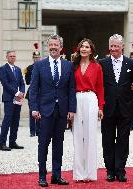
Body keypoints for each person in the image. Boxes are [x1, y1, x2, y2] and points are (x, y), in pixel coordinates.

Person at [30, 34, 76, 187]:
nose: (53, 47)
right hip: (44, 112)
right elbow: (34, 89)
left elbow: (71, 89)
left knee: (59, 145)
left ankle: (57, 175)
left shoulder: (68, 65)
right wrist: (34, 108)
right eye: (51, 45)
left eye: (56, 45)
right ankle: (42, 176)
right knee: (43, 144)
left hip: (62, 112)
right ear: (48, 46)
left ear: (61, 47)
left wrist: (72, 109)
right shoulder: (39, 65)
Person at [99, 34, 133, 182]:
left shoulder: (131, 64)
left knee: (123, 139)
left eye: (116, 46)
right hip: (108, 108)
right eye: (111, 46)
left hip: (125, 108)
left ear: (122, 47)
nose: (113, 48)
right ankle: (109, 170)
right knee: (107, 140)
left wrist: (130, 100)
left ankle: (120, 170)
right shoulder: (102, 63)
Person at [72, 38, 104, 182]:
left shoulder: (97, 67)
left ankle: (90, 174)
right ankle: (79, 173)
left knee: (91, 136)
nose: (84, 49)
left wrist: (100, 107)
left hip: (91, 99)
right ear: (79, 49)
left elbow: (100, 88)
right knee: (78, 136)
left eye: (87, 47)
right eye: (82, 47)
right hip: (77, 99)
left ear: (91, 50)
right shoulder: (74, 65)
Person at [0, 50, 25, 151]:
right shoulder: (3, 69)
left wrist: (22, 93)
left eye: (14, 56)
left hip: (18, 100)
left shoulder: (18, 69)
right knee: (7, 120)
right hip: (9, 99)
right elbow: (5, 83)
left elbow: (22, 83)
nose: (12, 58)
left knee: (15, 121)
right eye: (10, 56)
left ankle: (12, 142)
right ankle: (2, 143)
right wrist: (16, 93)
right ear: (7, 57)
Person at [25, 43, 41, 137]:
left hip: (41, 92)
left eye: (38, 57)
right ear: (33, 58)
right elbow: (27, 81)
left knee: (40, 112)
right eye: (35, 57)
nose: (37, 59)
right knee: (32, 111)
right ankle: (32, 131)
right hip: (32, 92)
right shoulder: (29, 68)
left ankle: (39, 130)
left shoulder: (43, 66)